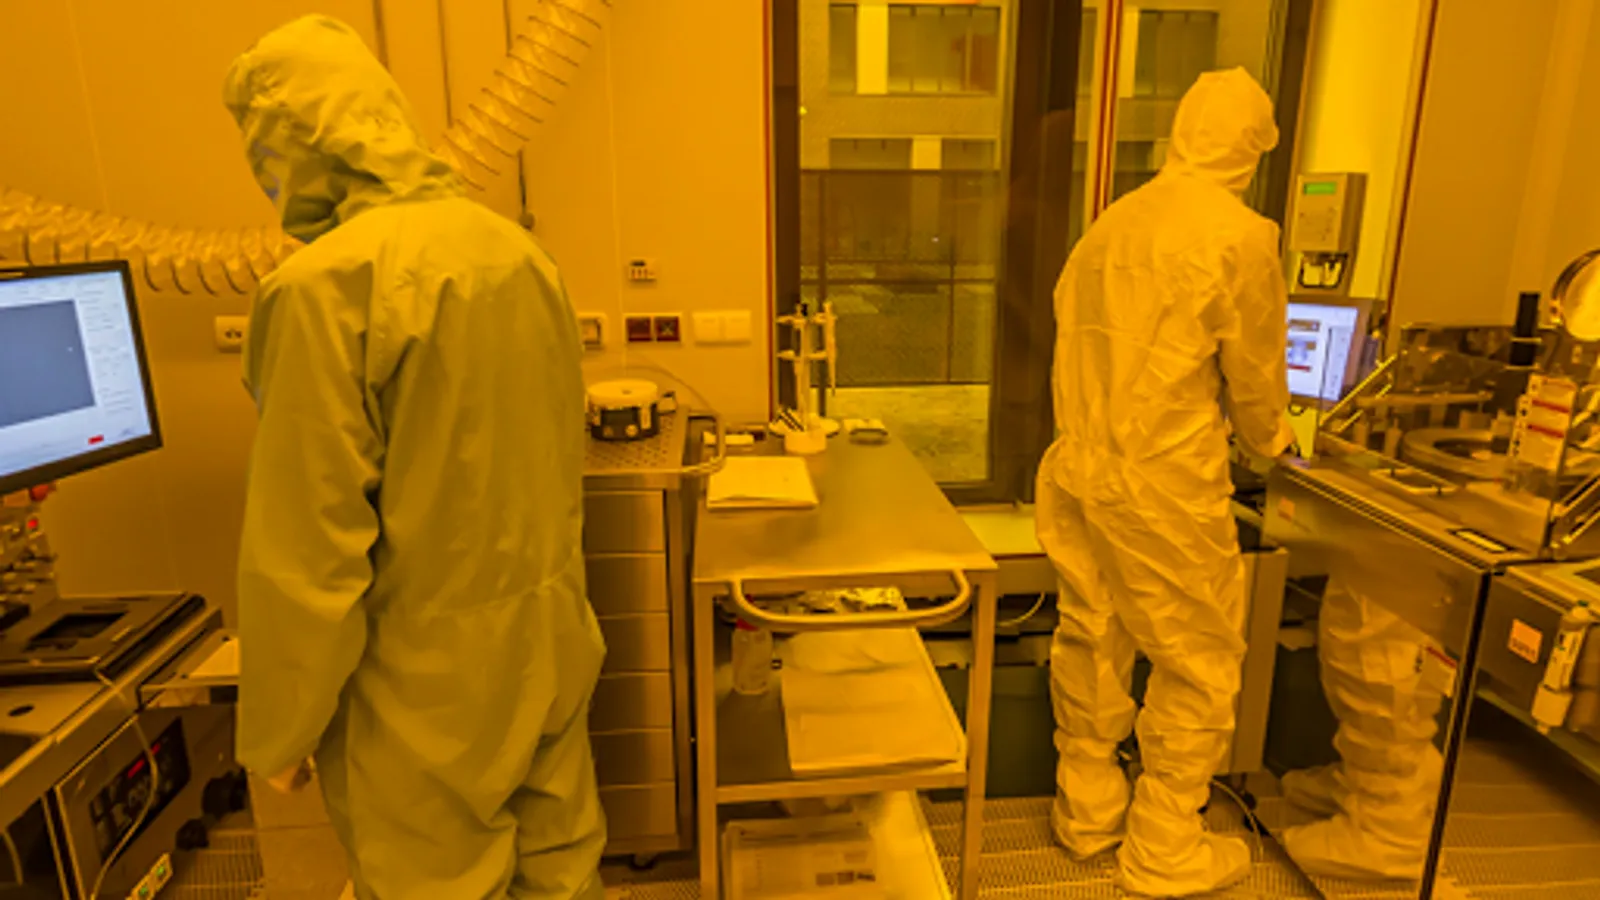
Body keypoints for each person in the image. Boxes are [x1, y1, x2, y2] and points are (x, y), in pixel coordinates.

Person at [225, 16, 606, 899]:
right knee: (560, 869)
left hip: (421, 686)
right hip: (548, 643)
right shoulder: (516, 251)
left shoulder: (323, 288)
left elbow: (307, 546)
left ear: (296, 143)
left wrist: (281, 728)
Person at [1036, 68, 1293, 896]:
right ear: (1249, 147)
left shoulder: (1113, 223)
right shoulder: (1241, 236)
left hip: (1079, 467)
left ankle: (1087, 813)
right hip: (1164, 481)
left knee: (1093, 631)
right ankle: (1164, 847)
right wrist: (1274, 441)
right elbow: (1255, 373)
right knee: (1200, 661)